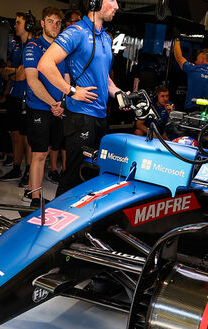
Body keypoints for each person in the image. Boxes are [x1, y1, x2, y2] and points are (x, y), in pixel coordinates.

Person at [37, 0, 124, 196]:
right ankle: (55, 223)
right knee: (73, 178)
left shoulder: (106, 38)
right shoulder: (76, 31)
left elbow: (105, 77)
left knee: (94, 177)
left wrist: (118, 93)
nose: (117, 6)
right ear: (95, 2)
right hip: (81, 117)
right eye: (112, 0)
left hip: (100, 117)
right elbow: (45, 64)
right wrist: (72, 91)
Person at [23, 7, 66, 208]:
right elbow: (32, 81)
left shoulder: (62, 49)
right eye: (50, 21)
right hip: (40, 107)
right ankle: (34, 198)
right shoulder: (32, 46)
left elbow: (67, 79)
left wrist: (63, 103)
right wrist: (53, 104)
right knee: (39, 153)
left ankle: (34, 190)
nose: (54, 26)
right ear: (42, 23)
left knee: (48, 151)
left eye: (58, 22)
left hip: (58, 108)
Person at [0, 13, 34, 183]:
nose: (15, 25)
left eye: (18, 23)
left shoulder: (33, 45)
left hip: (27, 98)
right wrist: (13, 72)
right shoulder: (17, 47)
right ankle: (16, 168)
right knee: (16, 135)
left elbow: (20, 75)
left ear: (28, 25)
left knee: (27, 138)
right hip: (14, 96)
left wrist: (12, 72)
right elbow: (6, 72)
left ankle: (29, 171)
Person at [171, 41, 208, 111]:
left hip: (191, 110)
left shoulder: (193, 69)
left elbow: (179, 57)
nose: (195, 62)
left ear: (202, 59)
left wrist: (177, 41)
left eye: (197, 59)